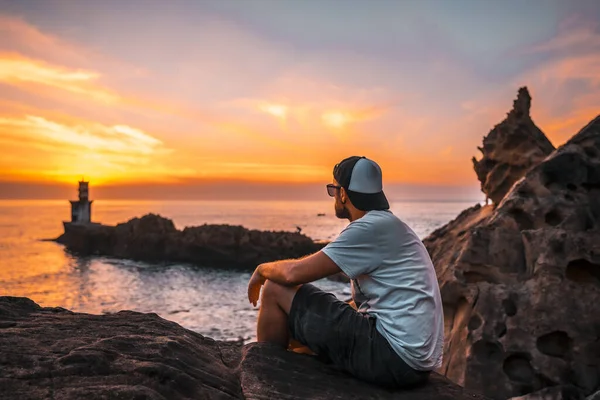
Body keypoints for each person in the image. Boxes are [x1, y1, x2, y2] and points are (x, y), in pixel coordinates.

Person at [247, 156, 444, 388]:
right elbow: (367, 306)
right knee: (301, 338)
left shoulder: (369, 228)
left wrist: (261, 270)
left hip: (391, 357)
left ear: (343, 194)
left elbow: (292, 274)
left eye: (333, 190)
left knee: (274, 288)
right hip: (413, 362)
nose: (333, 198)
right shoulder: (390, 226)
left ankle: (267, 380)